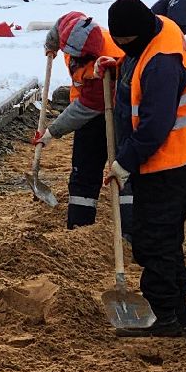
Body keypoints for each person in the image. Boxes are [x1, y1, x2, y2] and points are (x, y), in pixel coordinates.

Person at [103, 0, 186, 336]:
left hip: (173, 164)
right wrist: (119, 64)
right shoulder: (161, 26)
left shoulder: (162, 65)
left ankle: (165, 318)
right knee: (165, 238)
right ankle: (177, 313)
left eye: (126, 46)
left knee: (153, 240)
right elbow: (139, 59)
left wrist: (124, 163)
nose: (126, 50)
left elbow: (154, 126)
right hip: (182, 157)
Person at [35, 12, 125, 229]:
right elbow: (59, 25)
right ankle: (79, 227)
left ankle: (129, 233)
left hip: (118, 111)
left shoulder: (108, 64)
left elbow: (86, 107)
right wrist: (51, 45)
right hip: (87, 108)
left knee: (122, 171)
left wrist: (52, 132)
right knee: (83, 173)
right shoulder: (74, 25)